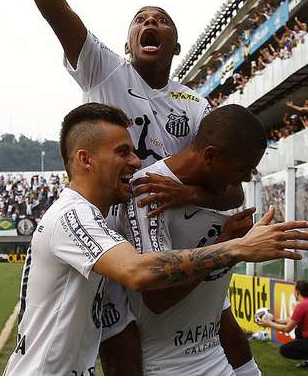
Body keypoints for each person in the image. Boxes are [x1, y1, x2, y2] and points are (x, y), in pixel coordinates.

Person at [11, 0, 252, 375]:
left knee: (218, 322)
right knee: (116, 343)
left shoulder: (196, 104)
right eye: (140, 19)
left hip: (161, 239)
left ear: (176, 44)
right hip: (104, 232)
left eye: (161, 19)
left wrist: (187, 196)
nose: (150, 22)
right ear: (126, 43)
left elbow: (223, 181)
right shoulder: (104, 72)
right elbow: (55, 8)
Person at [3, 103, 308, 375]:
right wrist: (236, 247)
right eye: (122, 152)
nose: (137, 162)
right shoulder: (70, 217)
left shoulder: (96, 219)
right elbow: (139, 272)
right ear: (86, 159)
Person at [110, 104, 271, 375]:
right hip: (170, 366)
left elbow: (236, 194)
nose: (246, 178)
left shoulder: (219, 188)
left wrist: (190, 196)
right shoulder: (149, 192)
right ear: (210, 156)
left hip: (215, 355)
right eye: (243, 168)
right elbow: (157, 297)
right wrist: (229, 245)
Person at [256, 281, 308, 370]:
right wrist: (275, 321)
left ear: (297, 292)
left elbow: (287, 329)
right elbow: (292, 320)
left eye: (294, 290)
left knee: (285, 350)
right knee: (298, 331)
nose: (293, 293)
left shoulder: (302, 305)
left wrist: (269, 323)